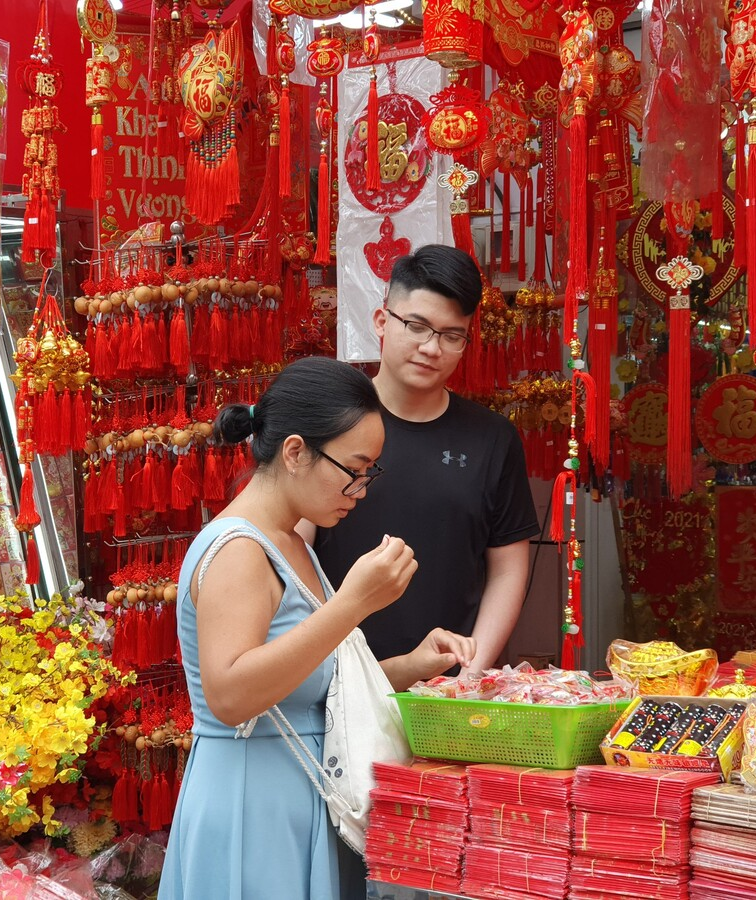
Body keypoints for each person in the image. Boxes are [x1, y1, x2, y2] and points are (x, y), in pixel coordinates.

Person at [160, 356, 475, 900]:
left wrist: (407, 668)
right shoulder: (237, 548)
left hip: (306, 795)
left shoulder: (292, 542)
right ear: (296, 452)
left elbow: (305, 685)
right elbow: (231, 695)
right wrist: (351, 605)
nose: (361, 489)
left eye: (370, 472)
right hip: (254, 804)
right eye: (354, 469)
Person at [311, 245, 540, 673]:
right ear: (382, 321)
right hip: (335, 684)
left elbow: (509, 570)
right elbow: (292, 546)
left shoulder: (492, 438)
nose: (431, 348)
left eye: (452, 335)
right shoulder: (330, 424)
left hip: (448, 694)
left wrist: (470, 673)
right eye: (416, 326)